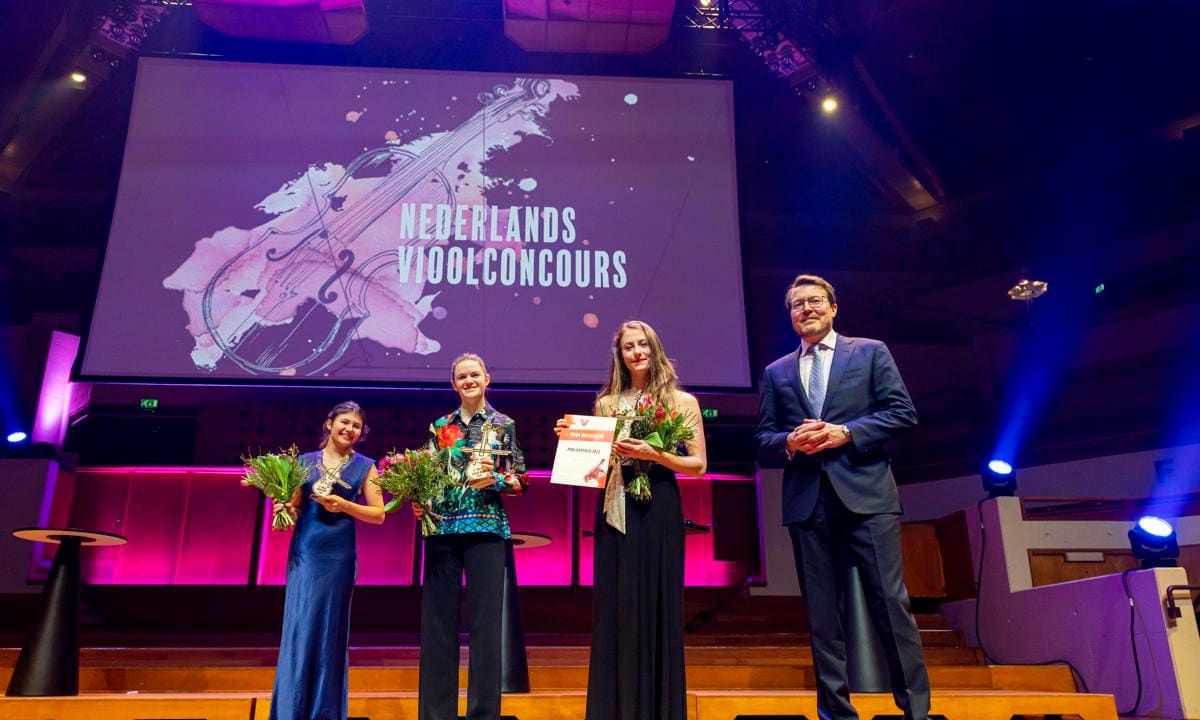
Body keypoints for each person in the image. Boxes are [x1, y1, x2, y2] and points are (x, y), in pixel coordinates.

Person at [755, 274, 929, 720]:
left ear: (834, 308)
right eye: (797, 304)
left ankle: (916, 712)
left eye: (815, 301)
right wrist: (790, 443)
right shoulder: (777, 371)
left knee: (890, 604)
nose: (806, 309)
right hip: (807, 501)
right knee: (821, 615)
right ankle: (836, 713)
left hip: (867, 495)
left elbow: (901, 413)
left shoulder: (870, 351)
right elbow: (764, 437)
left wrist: (845, 433)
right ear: (790, 315)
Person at [557, 320, 707, 720]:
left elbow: (697, 465)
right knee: (617, 605)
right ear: (619, 355)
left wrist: (655, 455)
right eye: (628, 347)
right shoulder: (606, 404)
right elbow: (594, 470)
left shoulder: (681, 401)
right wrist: (573, 444)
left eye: (643, 345)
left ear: (654, 349)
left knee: (660, 601)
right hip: (616, 506)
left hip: (659, 505)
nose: (636, 351)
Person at [415, 353, 528, 720]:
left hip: (487, 528)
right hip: (442, 528)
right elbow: (428, 476)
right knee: (437, 626)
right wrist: (420, 500)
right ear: (453, 384)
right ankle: (436, 714)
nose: (468, 381)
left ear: (487, 378)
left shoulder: (503, 424)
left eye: (474, 374)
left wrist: (494, 480)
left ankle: (484, 714)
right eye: (461, 376)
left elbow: (520, 480)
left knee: (486, 628)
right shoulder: (439, 427)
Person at [269, 401, 386, 720]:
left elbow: (379, 514)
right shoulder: (303, 462)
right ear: (329, 424)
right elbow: (293, 508)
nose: (350, 429)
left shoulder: (365, 465)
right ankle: (290, 709)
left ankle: (325, 711)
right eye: (344, 422)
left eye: (357, 426)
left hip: (339, 556)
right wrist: (283, 511)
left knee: (330, 630)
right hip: (306, 552)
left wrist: (345, 506)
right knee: (300, 625)